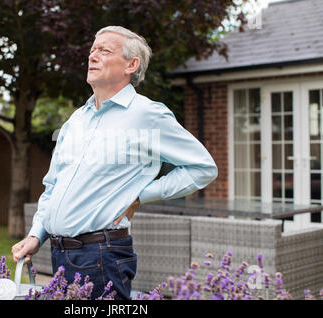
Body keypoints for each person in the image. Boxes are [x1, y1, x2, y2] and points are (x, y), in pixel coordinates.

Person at [12, 26, 218, 300]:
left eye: (104, 50)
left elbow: (203, 168)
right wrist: (36, 234)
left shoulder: (146, 115)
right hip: (58, 255)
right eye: (92, 50)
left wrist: (141, 195)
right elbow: (53, 185)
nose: (92, 56)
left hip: (101, 257)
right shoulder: (76, 120)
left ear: (131, 65)